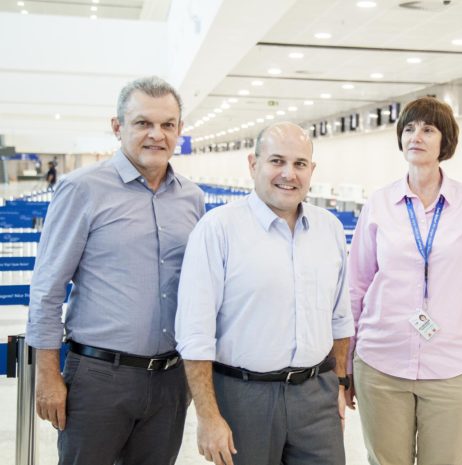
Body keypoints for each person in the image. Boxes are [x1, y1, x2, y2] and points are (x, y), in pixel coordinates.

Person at [26, 76, 206, 465]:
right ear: (117, 127)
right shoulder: (82, 189)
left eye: (167, 125)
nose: (156, 135)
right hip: (99, 378)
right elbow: (47, 289)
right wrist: (47, 374)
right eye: (143, 123)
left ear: (179, 130)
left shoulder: (192, 198)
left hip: (171, 379)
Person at [175, 121, 354, 465]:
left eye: (300, 164)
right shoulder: (218, 230)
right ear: (253, 164)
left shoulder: (328, 228)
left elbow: (340, 318)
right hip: (244, 397)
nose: (289, 173)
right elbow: (195, 333)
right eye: (277, 161)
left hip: (316, 396)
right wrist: (208, 417)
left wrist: (340, 385)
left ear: (311, 170)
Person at [347, 96, 462, 465]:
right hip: (380, 363)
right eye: (408, 128)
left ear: (445, 141)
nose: (415, 136)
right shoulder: (380, 203)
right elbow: (356, 287)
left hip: (452, 365)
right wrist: (345, 362)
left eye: (427, 129)